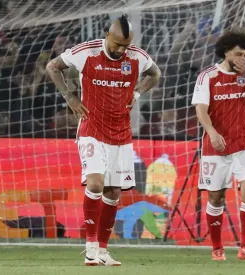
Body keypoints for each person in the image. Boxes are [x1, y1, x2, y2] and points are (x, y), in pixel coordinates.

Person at [46, 15, 161, 266]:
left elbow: (155, 73)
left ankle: (103, 250)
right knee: (96, 184)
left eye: (126, 46)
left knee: (113, 192)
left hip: (120, 133)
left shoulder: (137, 57)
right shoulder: (86, 52)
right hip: (91, 130)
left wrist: (138, 92)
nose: (121, 50)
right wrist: (70, 98)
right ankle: (89, 248)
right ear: (107, 36)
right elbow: (52, 66)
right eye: (118, 44)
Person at [191, 31, 245, 261]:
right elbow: (201, 109)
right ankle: (217, 248)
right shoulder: (208, 76)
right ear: (226, 52)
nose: (243, 59)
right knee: (215, 198)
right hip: (216, 146)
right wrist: (212, 132)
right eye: (238, 54)